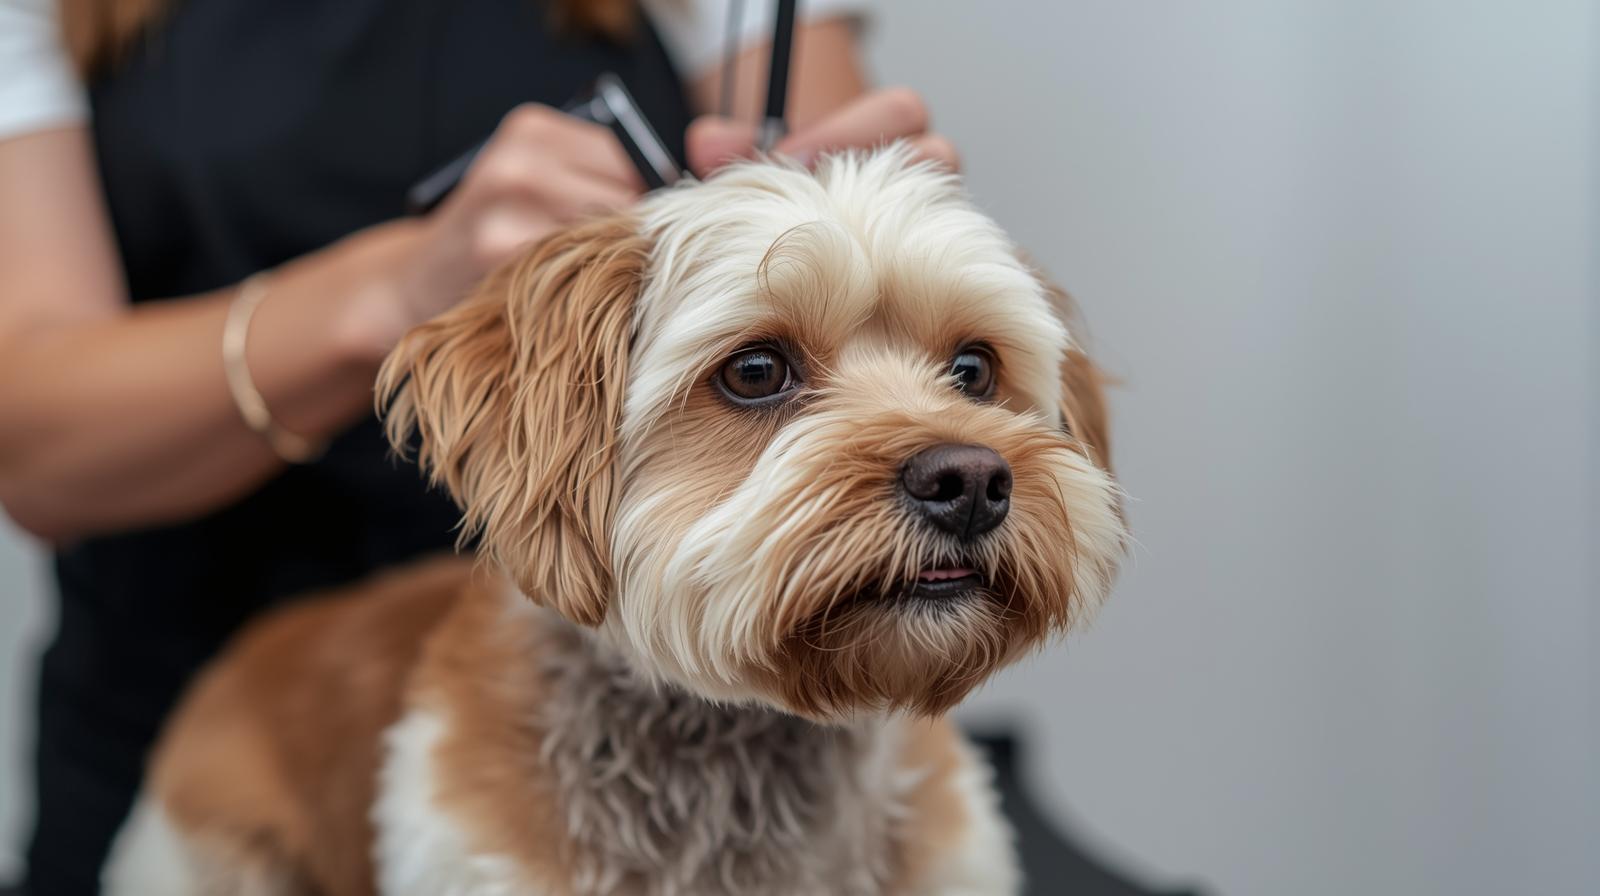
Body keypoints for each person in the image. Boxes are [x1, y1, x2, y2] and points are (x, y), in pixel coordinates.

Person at [0, 0, 958, 892]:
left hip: (729, 695)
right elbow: (33, 448)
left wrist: (867, 220)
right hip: (213, 737)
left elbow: (870, 271)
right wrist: (395, 288)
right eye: (760, 376)